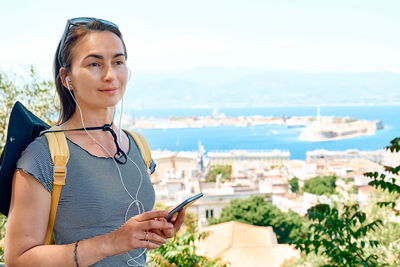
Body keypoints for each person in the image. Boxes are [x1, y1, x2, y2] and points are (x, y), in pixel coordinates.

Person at [4, 17, 185, 267]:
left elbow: (119, 230)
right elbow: (18, 259)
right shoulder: (45, 155)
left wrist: (152, 231)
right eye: (94, 64)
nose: (111, 75)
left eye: (118, 62)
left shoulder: (138, 146)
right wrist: (112, 242)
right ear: (67, 78)